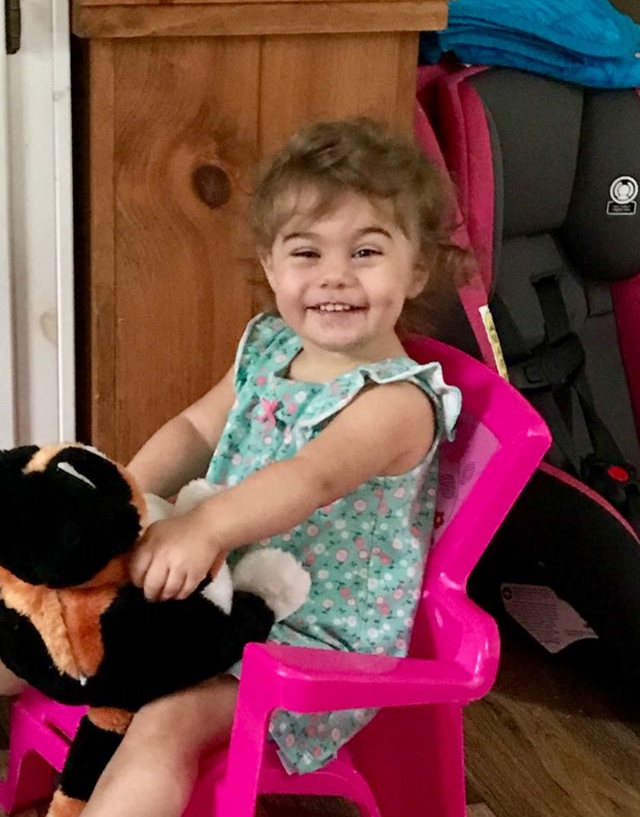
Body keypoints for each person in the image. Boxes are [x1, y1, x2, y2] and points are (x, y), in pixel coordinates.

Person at [82, 117, 464, 816]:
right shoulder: (269, 344)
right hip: (220, 588)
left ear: (417, 269)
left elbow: (310, 477)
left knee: (165, 719)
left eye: (366, 251)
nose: (334, 276)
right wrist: (124, 496)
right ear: (270, 265)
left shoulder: (397, 402)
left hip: (308, 641)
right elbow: (196, 427)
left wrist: (204, 527)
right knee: (49, 609)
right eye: (306, 252)